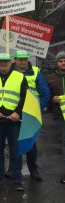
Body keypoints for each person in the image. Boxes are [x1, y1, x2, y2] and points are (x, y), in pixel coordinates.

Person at [0, 53, 28, 191]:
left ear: (11, 62)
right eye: (1, 61)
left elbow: (25, 97)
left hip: (14, 120)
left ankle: (17, 180)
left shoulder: (20, 77)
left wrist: (18, 112)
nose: (3, 64)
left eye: (6, 61)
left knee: (15, 151)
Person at [11, 50, 51, 181]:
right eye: (20, 59)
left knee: (30, 143)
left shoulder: (35, 72)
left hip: (30, 114)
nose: (23, 61)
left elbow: (45, 94)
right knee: (13, 141)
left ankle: (33, 169)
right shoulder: (9, 71)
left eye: (25, 59)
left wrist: (36, 109)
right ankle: (12, 168)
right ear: (15, 60)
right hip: (13, 112)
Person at [46, 51, 65, 183]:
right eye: (60, 60)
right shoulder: (51, 78)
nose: (63, 62)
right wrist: (52, 100)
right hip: (60, 115)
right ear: (56, 63)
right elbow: (47, 97)